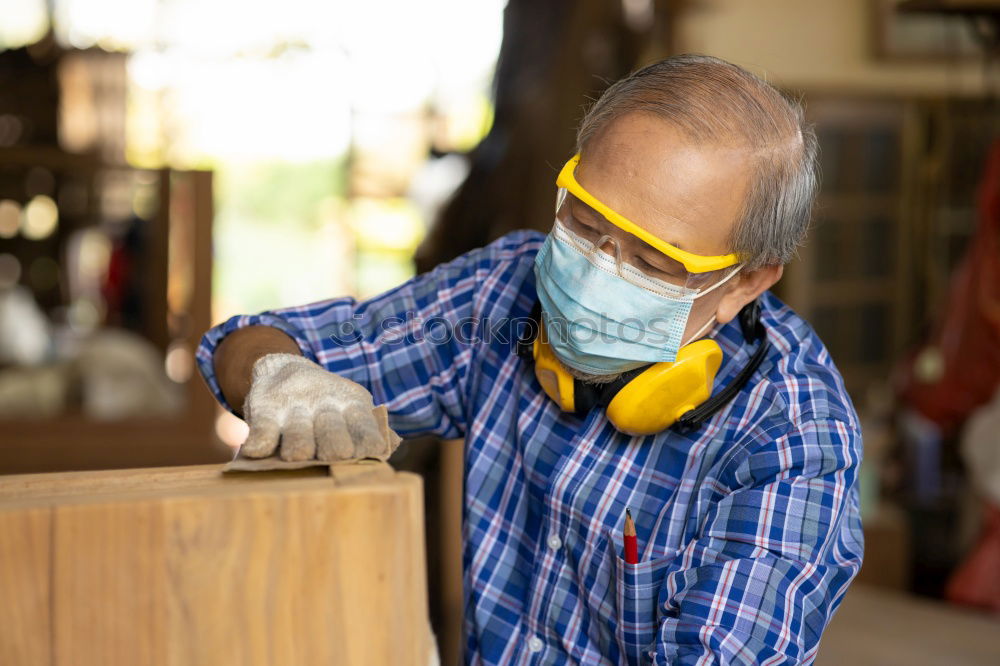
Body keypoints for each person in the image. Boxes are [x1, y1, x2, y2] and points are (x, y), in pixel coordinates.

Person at [197, 54, 863, 665]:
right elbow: (251, 342)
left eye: (654, 262)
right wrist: (278, 377)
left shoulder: (793, 440)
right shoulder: (498, 294)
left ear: (744, 283)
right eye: (584, 222)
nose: (597, 271)